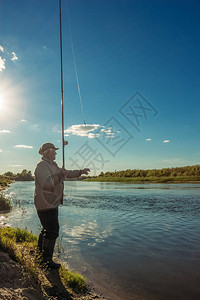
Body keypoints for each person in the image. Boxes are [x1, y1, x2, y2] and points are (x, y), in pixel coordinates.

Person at [34, 142, 90, 269]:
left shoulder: (53, 165)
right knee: (53, 231)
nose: (56, 153)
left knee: (47, 229)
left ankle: (40, 255)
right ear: (47, 152)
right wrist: (60, 175)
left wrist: (80, 171)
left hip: (51, 203)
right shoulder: (42, 166)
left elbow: (67, 173)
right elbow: (48, 183)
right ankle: (46, 261)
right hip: (45, 203)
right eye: (54, 150)